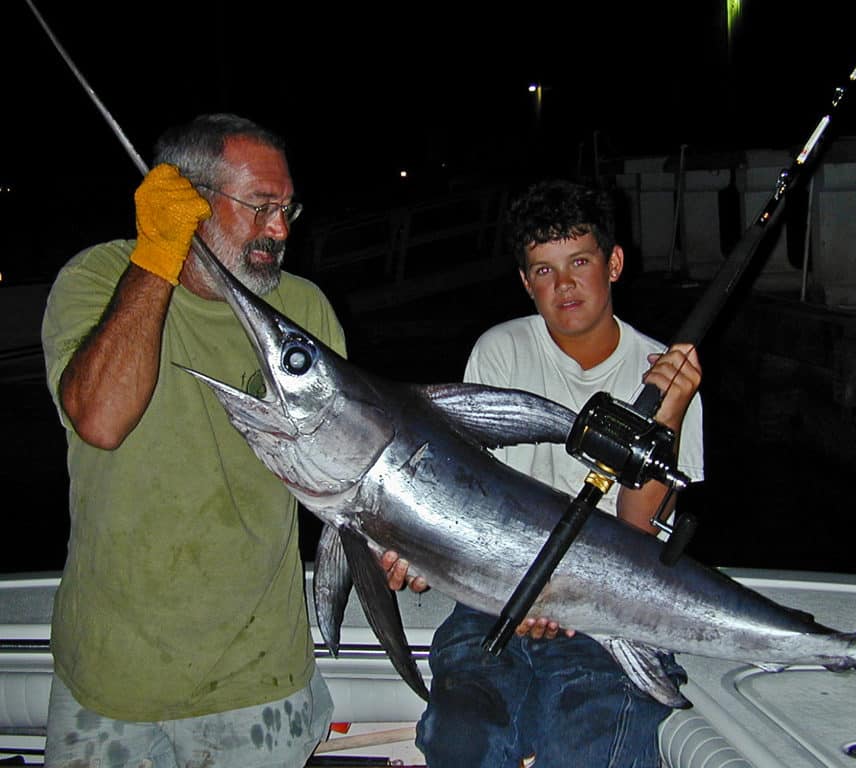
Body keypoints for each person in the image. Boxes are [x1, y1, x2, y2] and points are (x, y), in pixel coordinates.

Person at [40, 113, 346, 767]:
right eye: (261, 207)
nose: (282, 229)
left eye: (288, 206)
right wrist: (157, 254)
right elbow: (100, 420)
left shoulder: (308, 312)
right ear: (187, 198)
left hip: (257, 677)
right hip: (110, 677)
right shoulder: (96, 279)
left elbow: (341, 478)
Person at [401, 178, 705, 767]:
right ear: (525, 281)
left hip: (607, 611)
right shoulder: (499, 350)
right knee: (459, 736)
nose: (563, 284)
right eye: (543, 270)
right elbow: (468, 495)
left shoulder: (669, 376)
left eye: (580, 262)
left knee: (591, 746)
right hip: (493, 598)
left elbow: (637, 532)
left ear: (613, 264)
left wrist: (667, 416)